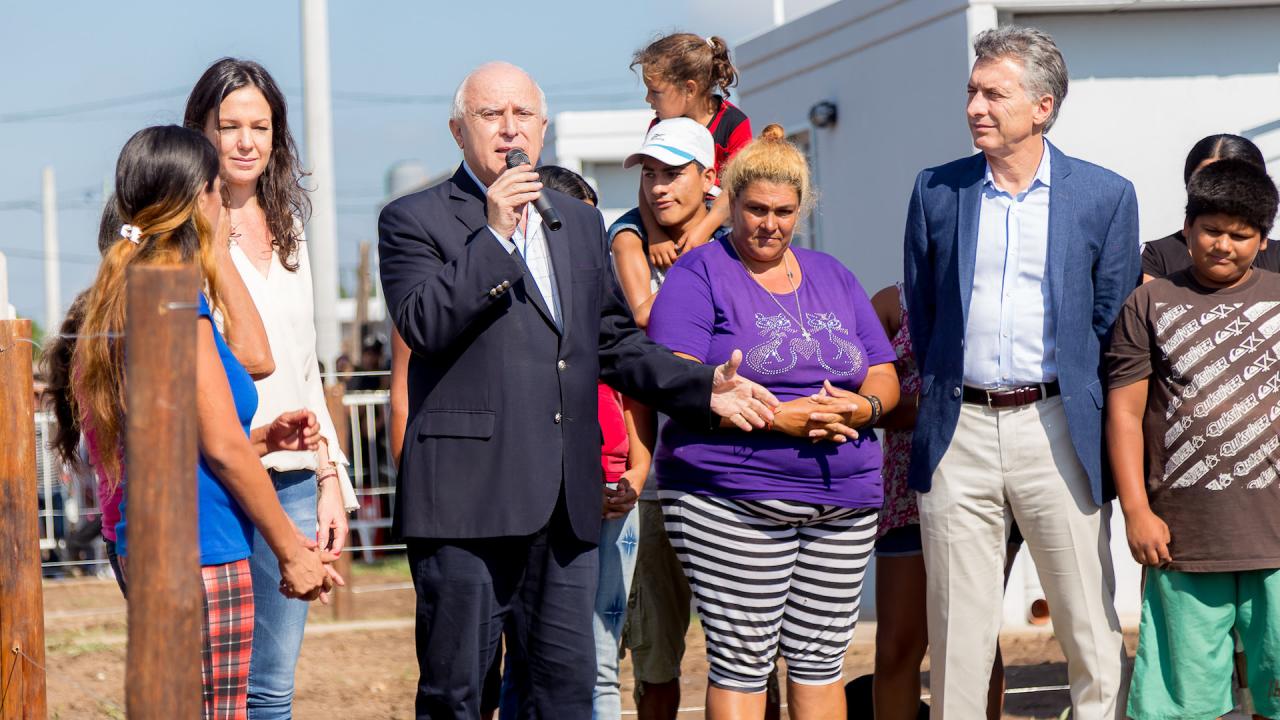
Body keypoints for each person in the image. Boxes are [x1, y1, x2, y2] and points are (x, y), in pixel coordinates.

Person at [376, 61, 776, 720]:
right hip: (464, 505)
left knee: (564, 696)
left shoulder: (578, 222)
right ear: (458, 131)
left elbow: (614, 343)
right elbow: (425, 322)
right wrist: (495, 233)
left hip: (564, 507)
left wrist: (702, 387)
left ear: (544, 126)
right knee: (458, 698)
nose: (510, 129)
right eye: (489, 115)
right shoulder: (414, 219)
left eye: (523, 115)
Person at [902, 26, 1137, 718]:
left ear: (1042, 106)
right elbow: (924, 306)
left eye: (993, 93)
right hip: (958, 432)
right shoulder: (936, 190)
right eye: (972, 91)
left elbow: (1112, 323)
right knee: (958, 637)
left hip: (1058, 425)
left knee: (1088, 626)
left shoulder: (1103, 196)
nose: (975, 105)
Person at [72, 125, 339, 718]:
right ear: (200, 198)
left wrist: (263, 437)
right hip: (203, 552)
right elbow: (219, 446)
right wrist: (291, 550)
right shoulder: (172, 298)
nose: (228, 202)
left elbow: (184, 430)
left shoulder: (135, 289)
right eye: (218, 190)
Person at [648, 124, 899, 720]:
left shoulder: (832, 274)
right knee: (743, 662)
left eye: (784, 212)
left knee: (821, 661)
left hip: (844, 498)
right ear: (730, 203)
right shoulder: (700, 273)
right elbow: (674, 373)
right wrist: (776, 418)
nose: (770, 224)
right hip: (733, 495)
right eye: (756, 209)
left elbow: (882, 371)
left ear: (801, 210)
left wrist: (862, 410)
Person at [184, 56, 359, 719]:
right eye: (229, 126)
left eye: (260, 125)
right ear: (201, 130)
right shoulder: (184, 238)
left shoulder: (290, 229)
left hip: (295, 475)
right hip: (223, 476)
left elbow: (307, 367)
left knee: (273, 686)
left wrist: (327, 479)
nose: (246, 141)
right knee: (216, 686)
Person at [1106, 159, 1280, 720]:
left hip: (1276, 538)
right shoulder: (1149, 304)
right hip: (1183, 541)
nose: (1223, 245)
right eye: (1211, 230)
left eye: (1241, 235)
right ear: (1187, 227)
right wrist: (1136, 510)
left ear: (1263, 239)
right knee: (1182, 702)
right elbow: (1126, 415)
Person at [866, 283, 1022, 720]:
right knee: (897, 644)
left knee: (972, 639)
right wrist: (952, 405)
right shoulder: (891, 302)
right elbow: (873, 403)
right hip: (909, 486)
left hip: (988, 479)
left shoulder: (1003, 295)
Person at [631, 32, 752, 270]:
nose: (648, 99)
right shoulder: (659, 126)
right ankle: (639, 307)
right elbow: (646, 182)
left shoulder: (734, 123)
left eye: (655, 92)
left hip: (718, 220)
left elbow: (735, 189)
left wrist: (703, 231)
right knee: (622, 234)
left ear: (689, 89)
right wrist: (655, 235)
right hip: (664, 213)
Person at [1142, 134, 1280, 282]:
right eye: (1207, 178)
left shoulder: (1276, 257)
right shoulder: (1156, 256)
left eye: (1233, 178)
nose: (1224, 246)